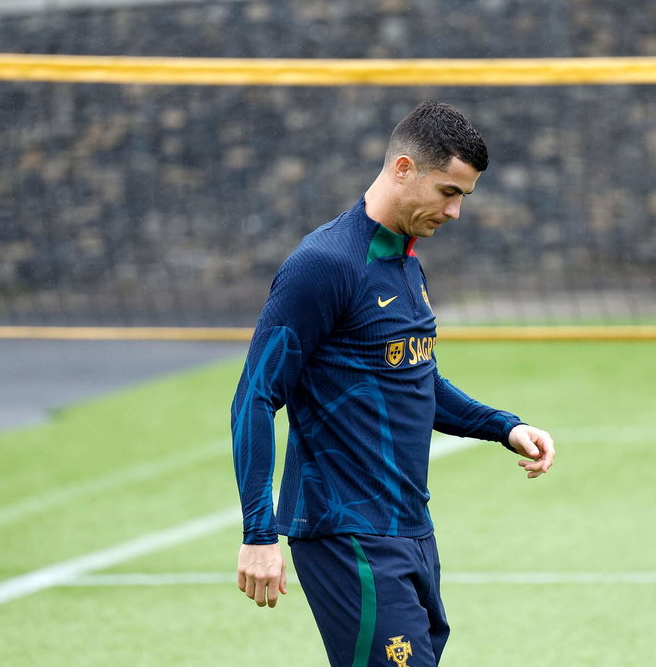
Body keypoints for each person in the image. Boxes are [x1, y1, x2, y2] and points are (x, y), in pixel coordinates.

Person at [231, 100, 555, 667]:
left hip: (409, 529)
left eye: (464, 197)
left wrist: (504, 427)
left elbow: (415, 380)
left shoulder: (406, 262)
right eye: (448, 192)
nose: (455, 213)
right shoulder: (324, 265)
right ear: (403, 169)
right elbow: (255, 397)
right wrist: (259, 534)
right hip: (347, 533)